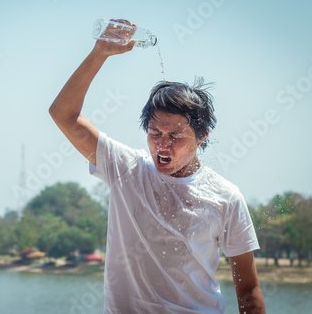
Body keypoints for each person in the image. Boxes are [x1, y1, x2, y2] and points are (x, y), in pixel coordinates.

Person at [49, 19, 265, 314]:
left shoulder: (226, 197)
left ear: (202, 138)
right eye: (155, 134)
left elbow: (248, 287)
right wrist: (99, 53)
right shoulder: (126, 168)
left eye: (175, 136)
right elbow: (63, 114)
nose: (162, 145)